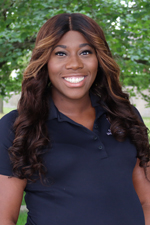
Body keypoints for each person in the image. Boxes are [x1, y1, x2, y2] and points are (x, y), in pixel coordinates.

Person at [0, 13, 150, 225]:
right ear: (45, 61)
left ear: (99, 58)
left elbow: (147, 200)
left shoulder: (125, 116)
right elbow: (4, 218)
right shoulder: (18, 127)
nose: (74, 64)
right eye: (60, 54)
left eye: (86, 52)